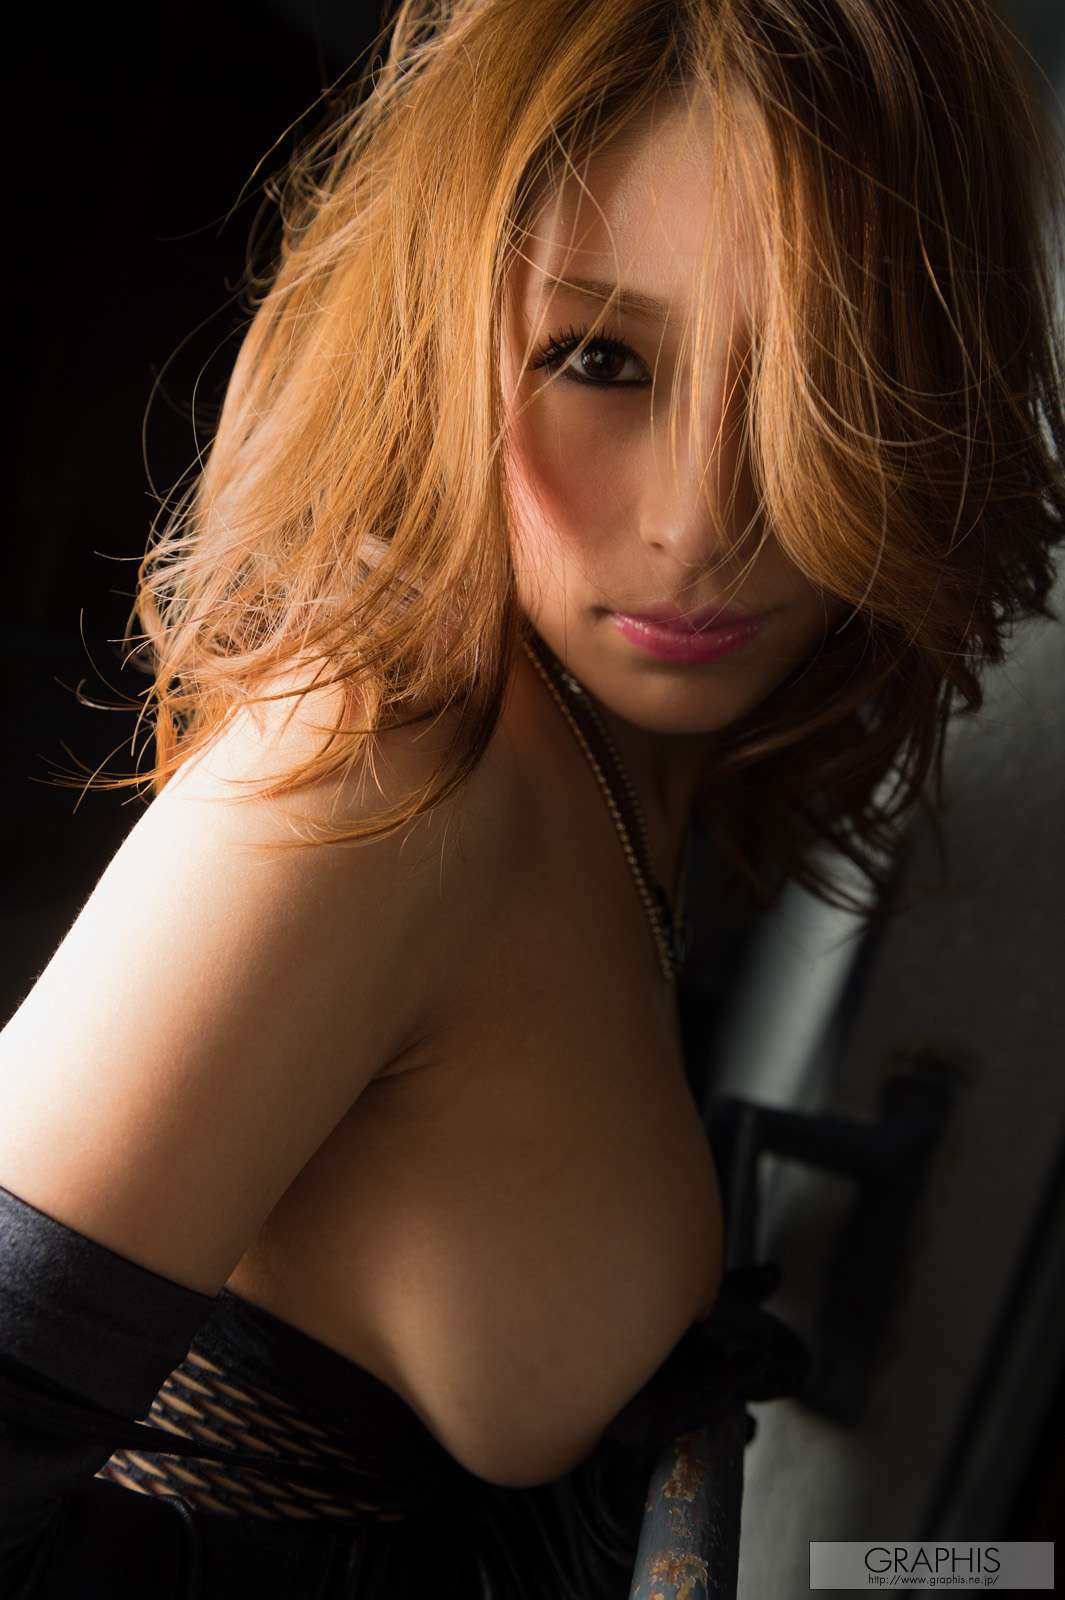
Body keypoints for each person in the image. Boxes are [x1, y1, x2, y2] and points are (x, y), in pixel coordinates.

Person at [2, 0, 1064, 1594]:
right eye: (598, 359)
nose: (696, 521)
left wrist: (994, 1575)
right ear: (433, 346)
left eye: (814, 374)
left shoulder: (607, 762)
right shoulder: (369, 772)